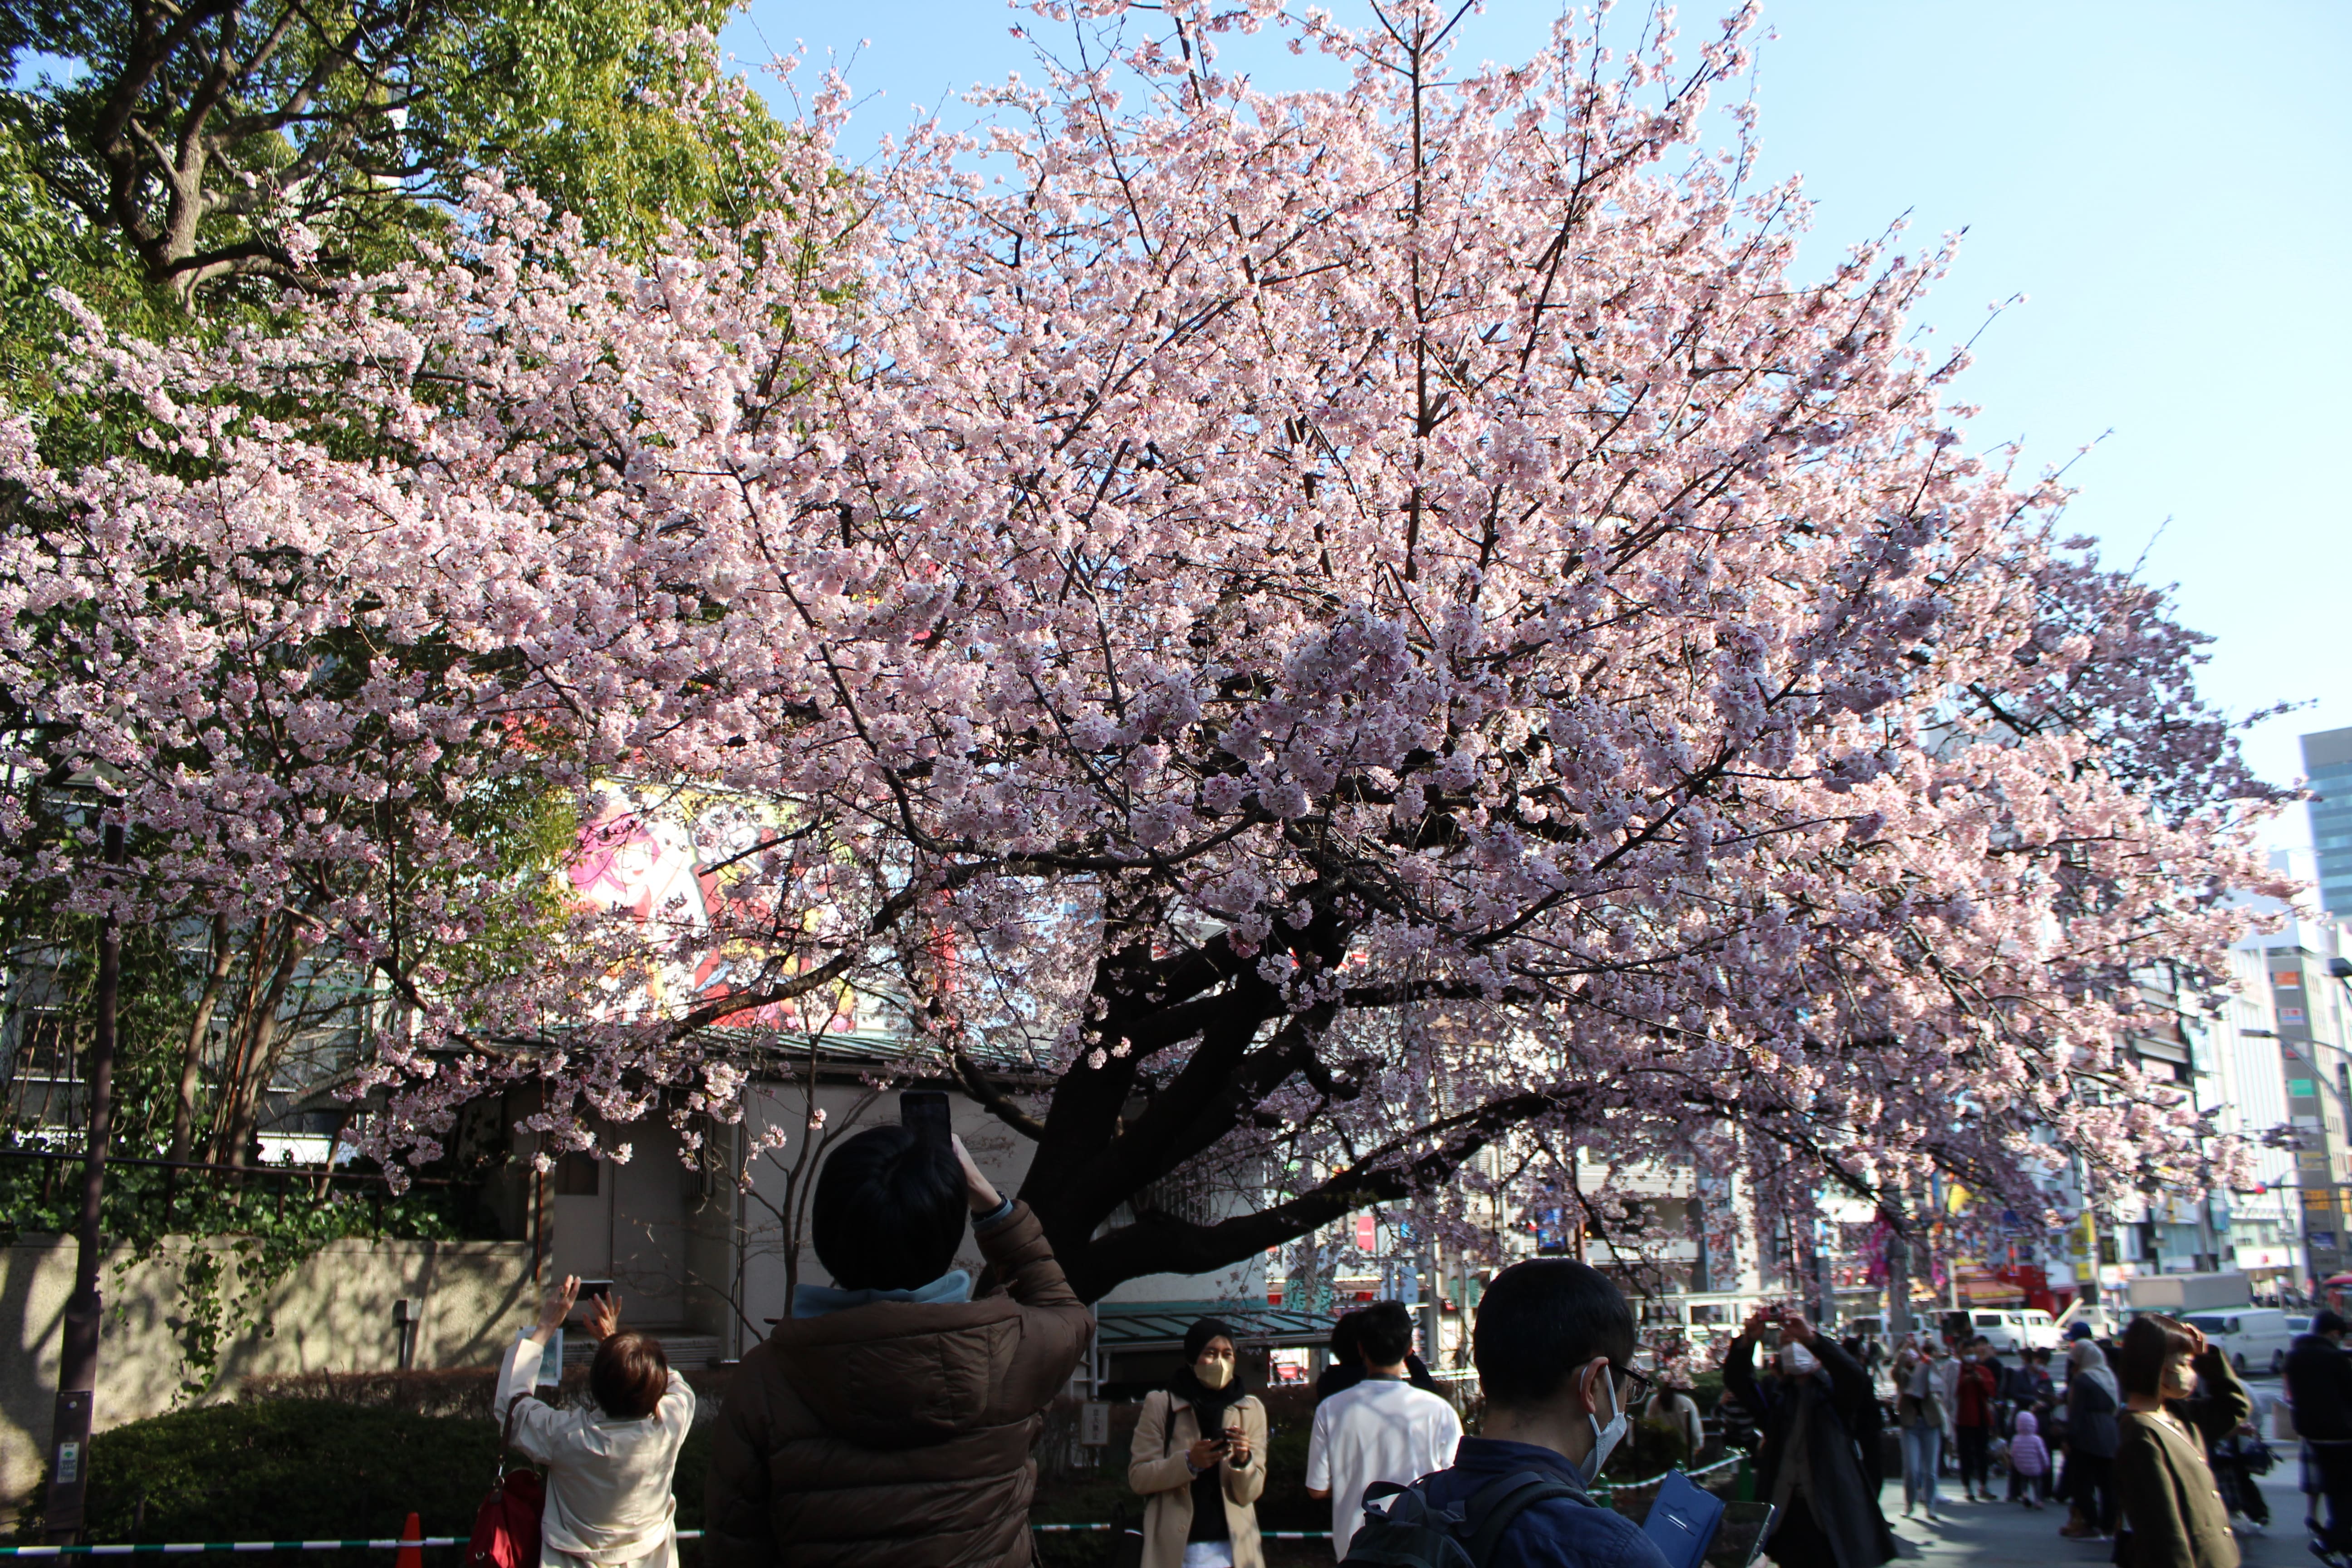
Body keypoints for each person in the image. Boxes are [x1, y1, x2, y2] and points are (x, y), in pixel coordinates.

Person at [703, 1128, 1093, 1567]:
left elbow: (735, 1546)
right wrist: (990, 1204)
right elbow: (1068, 1312)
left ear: (828, 1234)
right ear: (946, 1237)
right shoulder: (1010, 1351)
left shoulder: (765, 1381)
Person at [1366, 1258, 1673, 1568]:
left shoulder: (1407, 1513)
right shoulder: (1609, 1552)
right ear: (1592, 1385)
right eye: (1629, 1388)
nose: (1625, 1406)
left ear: (1484, 1379)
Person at [495, 1275, 696, 1568]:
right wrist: (616, 1343)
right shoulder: (669, 1427)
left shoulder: (568, 1438)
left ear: (597, 1385)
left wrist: (546, 1328)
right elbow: (676, 1384)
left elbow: (510, 1407)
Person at [1725, 1309, 1896, 1568]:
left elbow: (1854, 1375)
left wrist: (1813, 1339)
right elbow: (1739, 1382)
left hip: (1831, 1511)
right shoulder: (1777, 1397)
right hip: (1788, 1512)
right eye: (1785, 1344)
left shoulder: (1834, 1397)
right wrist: (1747, 1343)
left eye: (1797, 1344)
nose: (1792, 1349)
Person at [1304, 1299, 1462, 1558]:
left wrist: (1351, 1479)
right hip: (1421, 1548)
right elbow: (1453, 1484)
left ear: (1361, 1348)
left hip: (1355, 1548)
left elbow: (1317, 1488)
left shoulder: (1331, 1409)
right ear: (1410, 1348)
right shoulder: (1439, 1411)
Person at [1129, 1318, 1270, 1568]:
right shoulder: (1162, 1405)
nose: (1220, 1362)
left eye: (1228, 1354)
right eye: (1211, 1353)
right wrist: (1189, 1463)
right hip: (1177, 1550)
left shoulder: (1250, 1409)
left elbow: (1251, 1493)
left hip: (1235, 1550)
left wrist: (1243, 1461)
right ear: (1193, 1357)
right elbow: (1139, 1477)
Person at [2113, 1313, 2251, 1568]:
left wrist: (2209, 1356)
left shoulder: (2178, 1415)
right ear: (2159, 1368)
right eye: (2185, 1364)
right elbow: (2164, 1533)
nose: (2191, 1372)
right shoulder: (2141, 1433)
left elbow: (2234, 1408)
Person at [2287, 1308, 2352, 1554]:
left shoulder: (2294, 1356)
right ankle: (2338, 1537)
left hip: (2312, 1432)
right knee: (2346, 1488)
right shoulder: (2334, 1358)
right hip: (2342, 1432)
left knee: (2334, 1485)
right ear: (2334, 1333)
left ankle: (2336, 1536)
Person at [2061, 1334, 2123, 1540]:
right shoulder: (2108, 1376)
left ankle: (2090, 1522)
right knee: (2108, 1484)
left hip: (2087, 1434)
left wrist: (2070, 1439)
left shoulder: (2083, 1379)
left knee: (2083, 1483)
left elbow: (2076, 1412)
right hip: (2110, 1432)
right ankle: (2109, 1523)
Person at [1315, 1307, 1445, 1403]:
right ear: (1363, 1348)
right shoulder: (1393, 1392)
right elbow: (1429, 1392)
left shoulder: (1328, 1385)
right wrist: (1408, 1354)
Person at [1894, 1347, 1945, 1523]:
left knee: (1930, 1470)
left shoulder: (1927, 1371)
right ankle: (1910, 1503)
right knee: (1912, 1469)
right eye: (1910, 1359)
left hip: (1930, 1423)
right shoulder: (1904, 1377)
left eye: (1914, 1358)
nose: (1913, 1361)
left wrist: (1927, 1361)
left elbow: (1939, 1381)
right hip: (1910, 1425)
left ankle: (1931, 1506)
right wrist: (1902, 1355)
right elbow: (1896, 1372)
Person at [1951, 1338, 1999, 1503]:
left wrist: (1981, 1380)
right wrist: (1963, 1382)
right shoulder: (1956, 1372)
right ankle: (1967, 1487)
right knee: (1965, 1455)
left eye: (1973, 1353)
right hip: (1963, 1419)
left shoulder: (1983, 1371)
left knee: (1983, 1453)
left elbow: (1992, 1391)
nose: (1971, 1357)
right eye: (1967, 1354)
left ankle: (1984, 1485)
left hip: (1982, 1418)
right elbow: (1950, 1392)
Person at [1645, 1373, 1707, 1467]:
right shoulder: (1686, 1402)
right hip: (1684, 1450)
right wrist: (1698, 1445)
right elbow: (1694, 1429)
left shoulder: (1654, 1401)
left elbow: (1648, 1425)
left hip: (1661, 1450)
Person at [2007, 1409, 2051, 1509]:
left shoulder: (2016, 1439)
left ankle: (2025, 1495)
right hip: (2035, 1467)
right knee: (2037, 1484)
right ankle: (2038, 1500)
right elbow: (2042, 1453)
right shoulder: (2037, 1439)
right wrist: (2046, 1464)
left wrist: (2013, 1462)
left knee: (2024, 1482)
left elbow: (2013, 1453)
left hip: (2022, 1466)